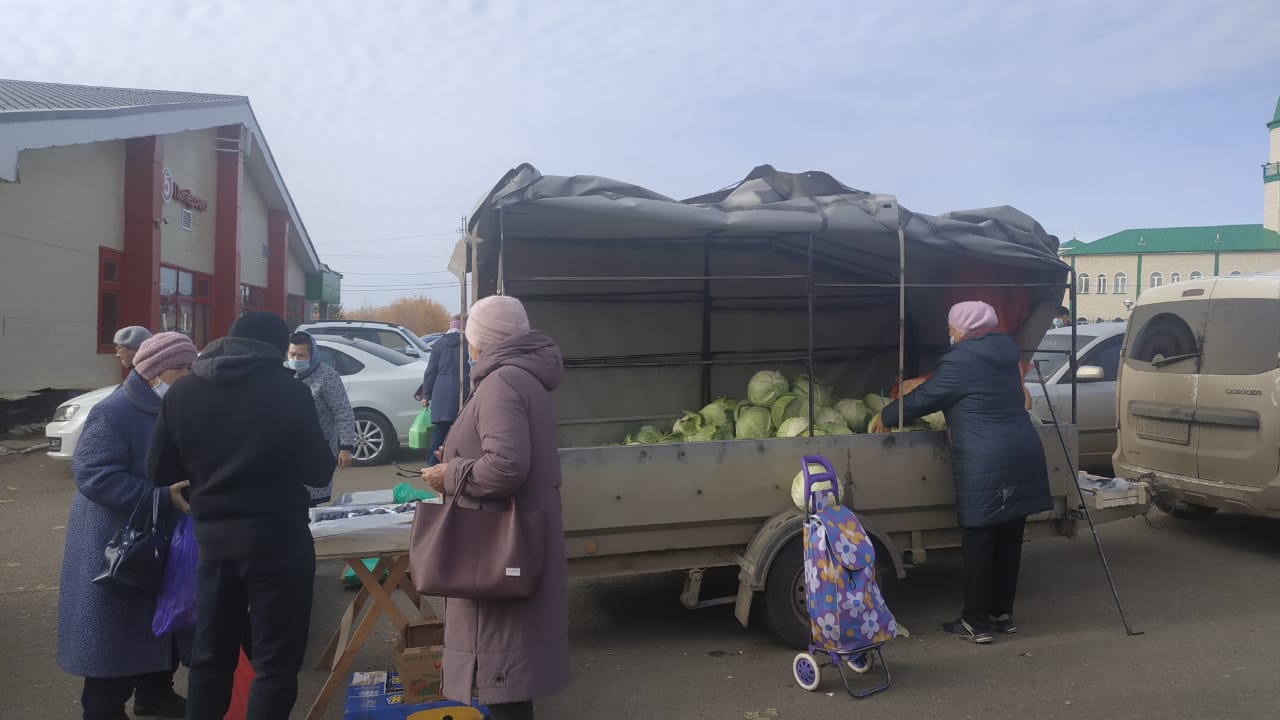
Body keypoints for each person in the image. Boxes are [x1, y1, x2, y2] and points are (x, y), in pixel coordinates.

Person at [147, 311, 335, 720]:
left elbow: (159, 472)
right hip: (279, 543)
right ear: (274, 348)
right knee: (274, 664)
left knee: (211, 657)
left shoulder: (182, 394)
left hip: (212, 545)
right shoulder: (289, 393)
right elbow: (319, 470)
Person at [421, 296, 569, 720]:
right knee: (512, 678)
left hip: (498, 548)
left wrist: (448, 475)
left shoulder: (503, 382)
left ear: (480, 342)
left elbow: (506, 467)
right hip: (515, 541)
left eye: (469, 339)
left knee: (504, 679)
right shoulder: (522, 377)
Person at [870, 301, 1052, 644]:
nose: (949, 333)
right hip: (1022, 453)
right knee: (1008, 542)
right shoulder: (1004, 352)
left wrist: (890, 414)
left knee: (980, 543)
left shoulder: (962, 360)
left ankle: (975, 623)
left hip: (987, 462)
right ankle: (1002, 614)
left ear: (965, 329)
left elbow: (928, 396)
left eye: (952, 327)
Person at [58, 332, 197, 720]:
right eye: (179, 369)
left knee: (162, 622)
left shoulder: (175, 404)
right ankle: (102, 710)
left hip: (159, 532)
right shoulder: (114, 410)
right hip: (115, 539)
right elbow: (92, 474)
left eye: (190, 367)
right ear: (152, 373)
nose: (187, 375)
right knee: (114, 636)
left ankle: (155, 695)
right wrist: (158, 496)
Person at [286, 331, 356, 505]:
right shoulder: (283, 374)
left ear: (312, 355)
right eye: (292, 354)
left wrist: (346, 447)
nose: (295, 359)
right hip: (287, 449)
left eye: (301, 355)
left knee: (309, 499)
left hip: (318, 447)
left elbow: (343, 412)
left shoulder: (327, 377)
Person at [417, 316, 470, 467]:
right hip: (463, 392)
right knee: (463, 431)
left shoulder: (439, 345)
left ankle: (432, 465)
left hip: (441, 394)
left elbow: (430, 372)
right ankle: (458, 465)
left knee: (440, 431)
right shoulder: (469, 344)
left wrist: (426, 394)